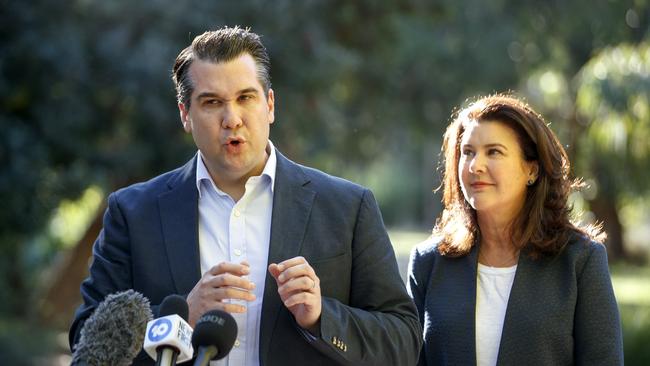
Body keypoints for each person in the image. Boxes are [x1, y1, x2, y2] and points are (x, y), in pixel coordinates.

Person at [69, 26, 421, 365]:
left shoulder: (347, 208)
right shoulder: (133, 213)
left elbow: (404, 342)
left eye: (245, 98)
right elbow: (88, 342)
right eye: (211, 103)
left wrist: (321, 317)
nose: (231, 118)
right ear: (185, 115)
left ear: (269, 105)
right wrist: (180, 318)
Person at [408, 94, 623, 366]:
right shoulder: (428, 262)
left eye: (494, 152)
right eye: (468, 152)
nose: (476, 166)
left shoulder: (581, 261)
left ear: (531, 170)